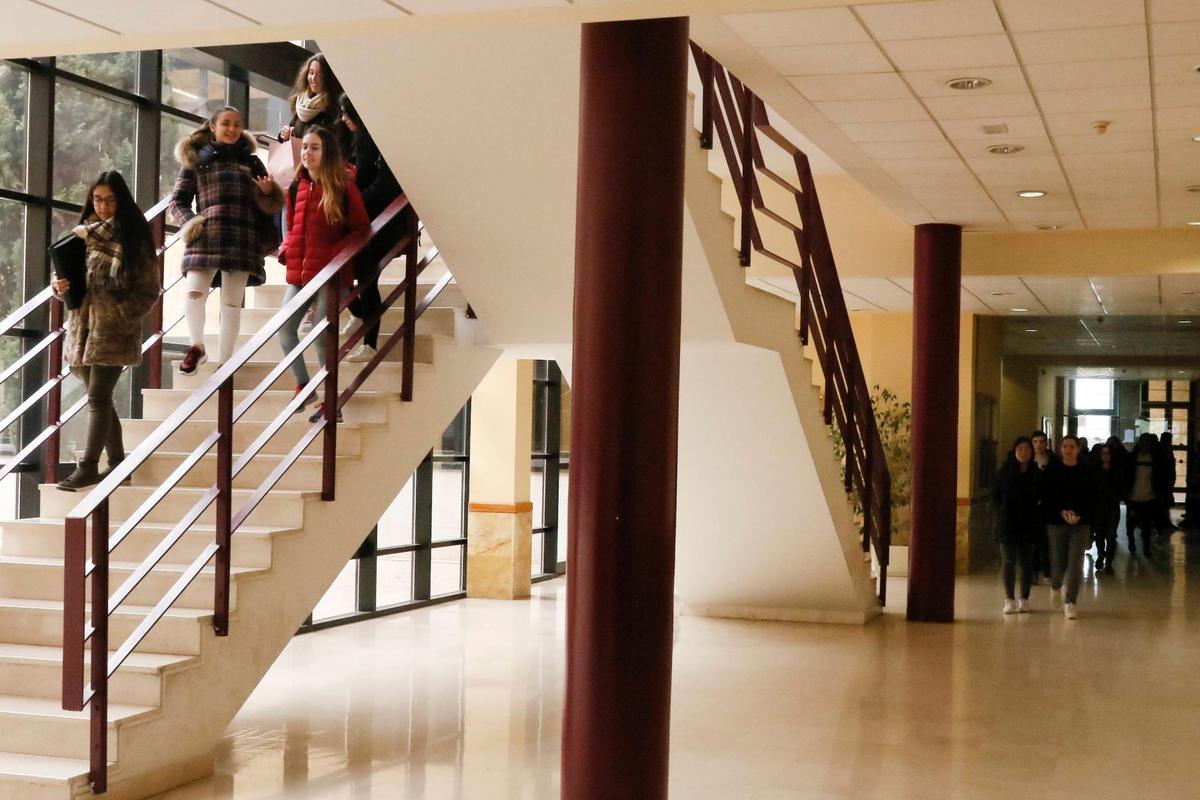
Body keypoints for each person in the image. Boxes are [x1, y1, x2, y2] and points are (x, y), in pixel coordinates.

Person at [51, 172, 160, 491]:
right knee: (99, 398)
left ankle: (87, 467)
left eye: (110, 200)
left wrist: (120, 314)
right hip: (82, 327)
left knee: (98, 397)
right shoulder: (82, 236)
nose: (102, 206)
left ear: (121, 201)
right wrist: (60, 288)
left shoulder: (134, 239)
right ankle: (117, 465)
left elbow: (149, 290)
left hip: (114, 329)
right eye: (97, 199)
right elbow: (74, 279)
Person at [171, 106, 286, 375]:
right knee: (194, 292)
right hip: (206, 235)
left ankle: (226, 362)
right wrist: (192, 223)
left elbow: (271, 207)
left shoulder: (252, 162)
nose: (232, 129)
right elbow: (177, 201)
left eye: (236, 124)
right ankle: (196, 346)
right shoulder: (196, 159)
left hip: (242, 236)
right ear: (213, 127)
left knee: (232, 303)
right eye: (226, 123)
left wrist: (269, 193)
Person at [277, 126, 370, 423]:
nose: (307, 153)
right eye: (305, 147)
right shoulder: (296, 185)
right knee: (285, 328)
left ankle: (333, 403)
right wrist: (287, 248)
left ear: (326, 151)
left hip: (331, 273)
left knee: (320, 336)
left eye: (314, 147)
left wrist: (335, 256)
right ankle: (305, 385)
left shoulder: (342, 184)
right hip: (300, 272)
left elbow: (362, 228)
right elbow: (291, 226)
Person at [338, 94, 405, 363]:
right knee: (351, 277)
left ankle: (370, 342)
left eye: (345, 112)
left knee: (367, 279)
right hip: (364, 220)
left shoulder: (375, 143)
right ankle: (360, 319)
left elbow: (383, 186)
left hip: (380, 222)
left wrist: (353, 200)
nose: (342, 118)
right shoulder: (359, 141)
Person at [1042, 435, 1095, 619]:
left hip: (1080, 524)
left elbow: (1092, 497)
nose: (1068, 450)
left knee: (1075, 563)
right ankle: (1056, 586)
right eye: (1064, 446)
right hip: (1056, 523)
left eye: (1072, 446)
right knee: (1058, 563)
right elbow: (1047, 497)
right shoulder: (1053, 469)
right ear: (1060, 448)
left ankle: (1071, 601)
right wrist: (1061, 512)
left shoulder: (1086, 470)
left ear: (1078, 449)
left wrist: (1079, 514)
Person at [992, 437, 1039, 614]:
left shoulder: (1035, 473)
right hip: (1007, 524)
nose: (1023, 452)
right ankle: (1009, 598)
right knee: (1009, 561)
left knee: (1026, 563)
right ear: (1015, 451)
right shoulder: (1005, 471)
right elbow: (995, 494)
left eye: (1027, 449)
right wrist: (1000, 511)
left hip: (1028, 524)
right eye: (1020, 449)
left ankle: (1024, 598)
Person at [278, 53, 343, 143]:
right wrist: (285, 133)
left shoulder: (333, 109)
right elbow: (291, 130)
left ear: (328, 78)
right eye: (311, 73)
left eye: (320, 75)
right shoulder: (301, 101)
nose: (313, 78)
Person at [1127, 433, 1161, 557]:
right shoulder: (1134, 458)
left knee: (1146, 526)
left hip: (1148, 497)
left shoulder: (1153, 458)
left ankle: (1145, 548)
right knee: (1132, 525)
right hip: (1135, 497)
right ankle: (1134, 544)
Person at [1030, 430, 1057, 582]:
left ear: (1046, 443)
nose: (1039, 445)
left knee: (1047, 540)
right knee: (1033, 541)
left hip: (1048, 507)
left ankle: (1047, 570)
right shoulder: (1027, 460)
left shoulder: (1053, 460)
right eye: (1035, 442)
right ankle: (1033, 571)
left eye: (1041, 442)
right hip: (1032, 507)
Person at [1094, 443, 1124, 574]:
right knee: (1100, 535)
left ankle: (1109, 563)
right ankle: (1101, 555)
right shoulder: (1095, 471)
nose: (1105, 456)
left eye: (1108, 453)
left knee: (1111, 536)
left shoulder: (1117, 471)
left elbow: (1121, 489)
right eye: (1103, 453)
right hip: (1098, 507)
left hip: (1112, 507)